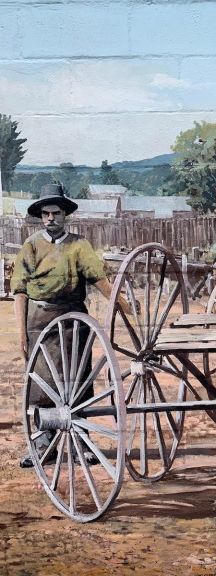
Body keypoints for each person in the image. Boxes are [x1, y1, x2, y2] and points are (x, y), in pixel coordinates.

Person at [11, 183, 121, 468]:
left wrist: (120, 301)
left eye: (56, 213)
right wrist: (21, 332)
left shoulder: (79, 245)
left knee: (78, 381)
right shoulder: (31, 245)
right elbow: (20, 290)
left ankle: (81, 444)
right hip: (40, 320)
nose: (51, 218)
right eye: (46, 213)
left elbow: (98, 279)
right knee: (41, 382)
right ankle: (41, 445)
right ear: (40, 216)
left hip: (74, 321)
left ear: (65, 215)